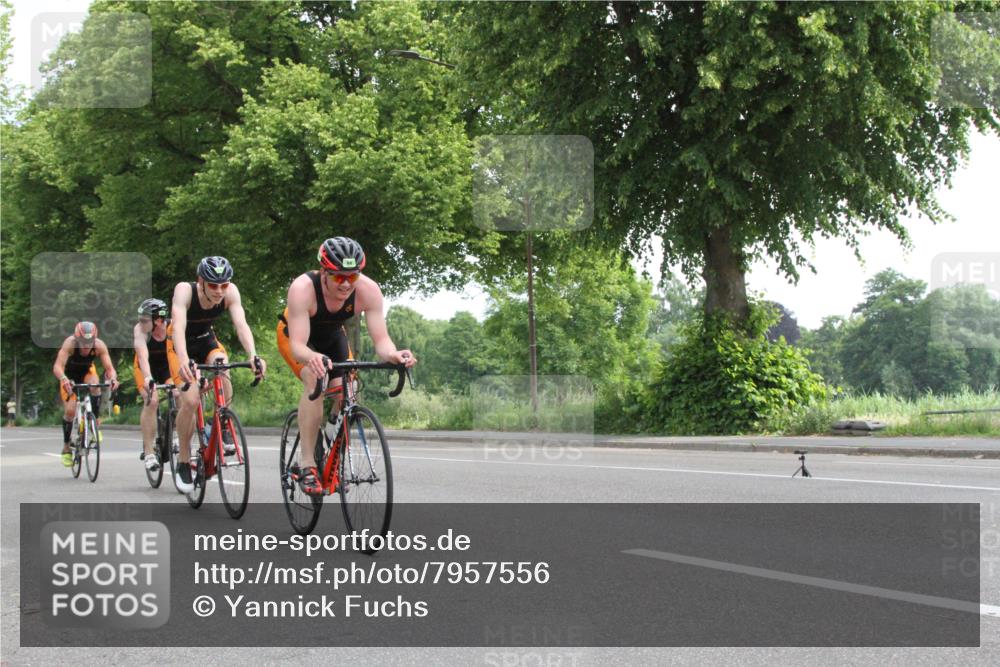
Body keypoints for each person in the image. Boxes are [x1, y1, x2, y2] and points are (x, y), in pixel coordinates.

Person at [277, 237, 416, 495]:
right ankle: (307, 464)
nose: (345, 284)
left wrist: (394, 354)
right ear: (323, 272)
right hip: (297, 337)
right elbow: (298, 346)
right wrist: (313, 358)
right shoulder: (302, 289)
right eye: (339, 277)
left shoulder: (368, 290)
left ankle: (330, 439)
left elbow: (382, 341)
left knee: (347, 387)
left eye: (352, 277)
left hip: (332, 335)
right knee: (315, 379)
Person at [171, 256, 265, 492]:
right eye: (213, 285)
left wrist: (253, 355)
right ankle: (184, 460)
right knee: (190, 400)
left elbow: (241, 325)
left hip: (206, 340)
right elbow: (179, 328)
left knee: (223, 366)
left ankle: (222, 424)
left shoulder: (230, 292)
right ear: (200, 281)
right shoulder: (184, 291)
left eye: (224, 285)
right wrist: (184, 360)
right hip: (179, 346)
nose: (219, 291)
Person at [52, 322, 119, 466]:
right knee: (70, 412)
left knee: (95, 385)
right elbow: (57, 366)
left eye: (90, 342)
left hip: (87, 372)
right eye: (83, 342)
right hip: (68, 376)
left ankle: (93, 423)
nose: (87, 346)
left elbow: (109, 369)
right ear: (77, 339)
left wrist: (113, 379)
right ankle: (66, 447)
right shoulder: (70, 344)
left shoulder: (99, 345)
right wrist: (63, 379)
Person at [132, 298, 181, 472]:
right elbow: (142, 356)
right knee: (152, 400)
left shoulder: (173, 328)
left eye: (145, 319)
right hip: (145, 368)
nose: (141, 322)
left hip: (167, 367)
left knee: (179, 393)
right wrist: (148, 378)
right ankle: (149, 452)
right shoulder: (140, 330)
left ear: (159, 321)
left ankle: (176, 432)